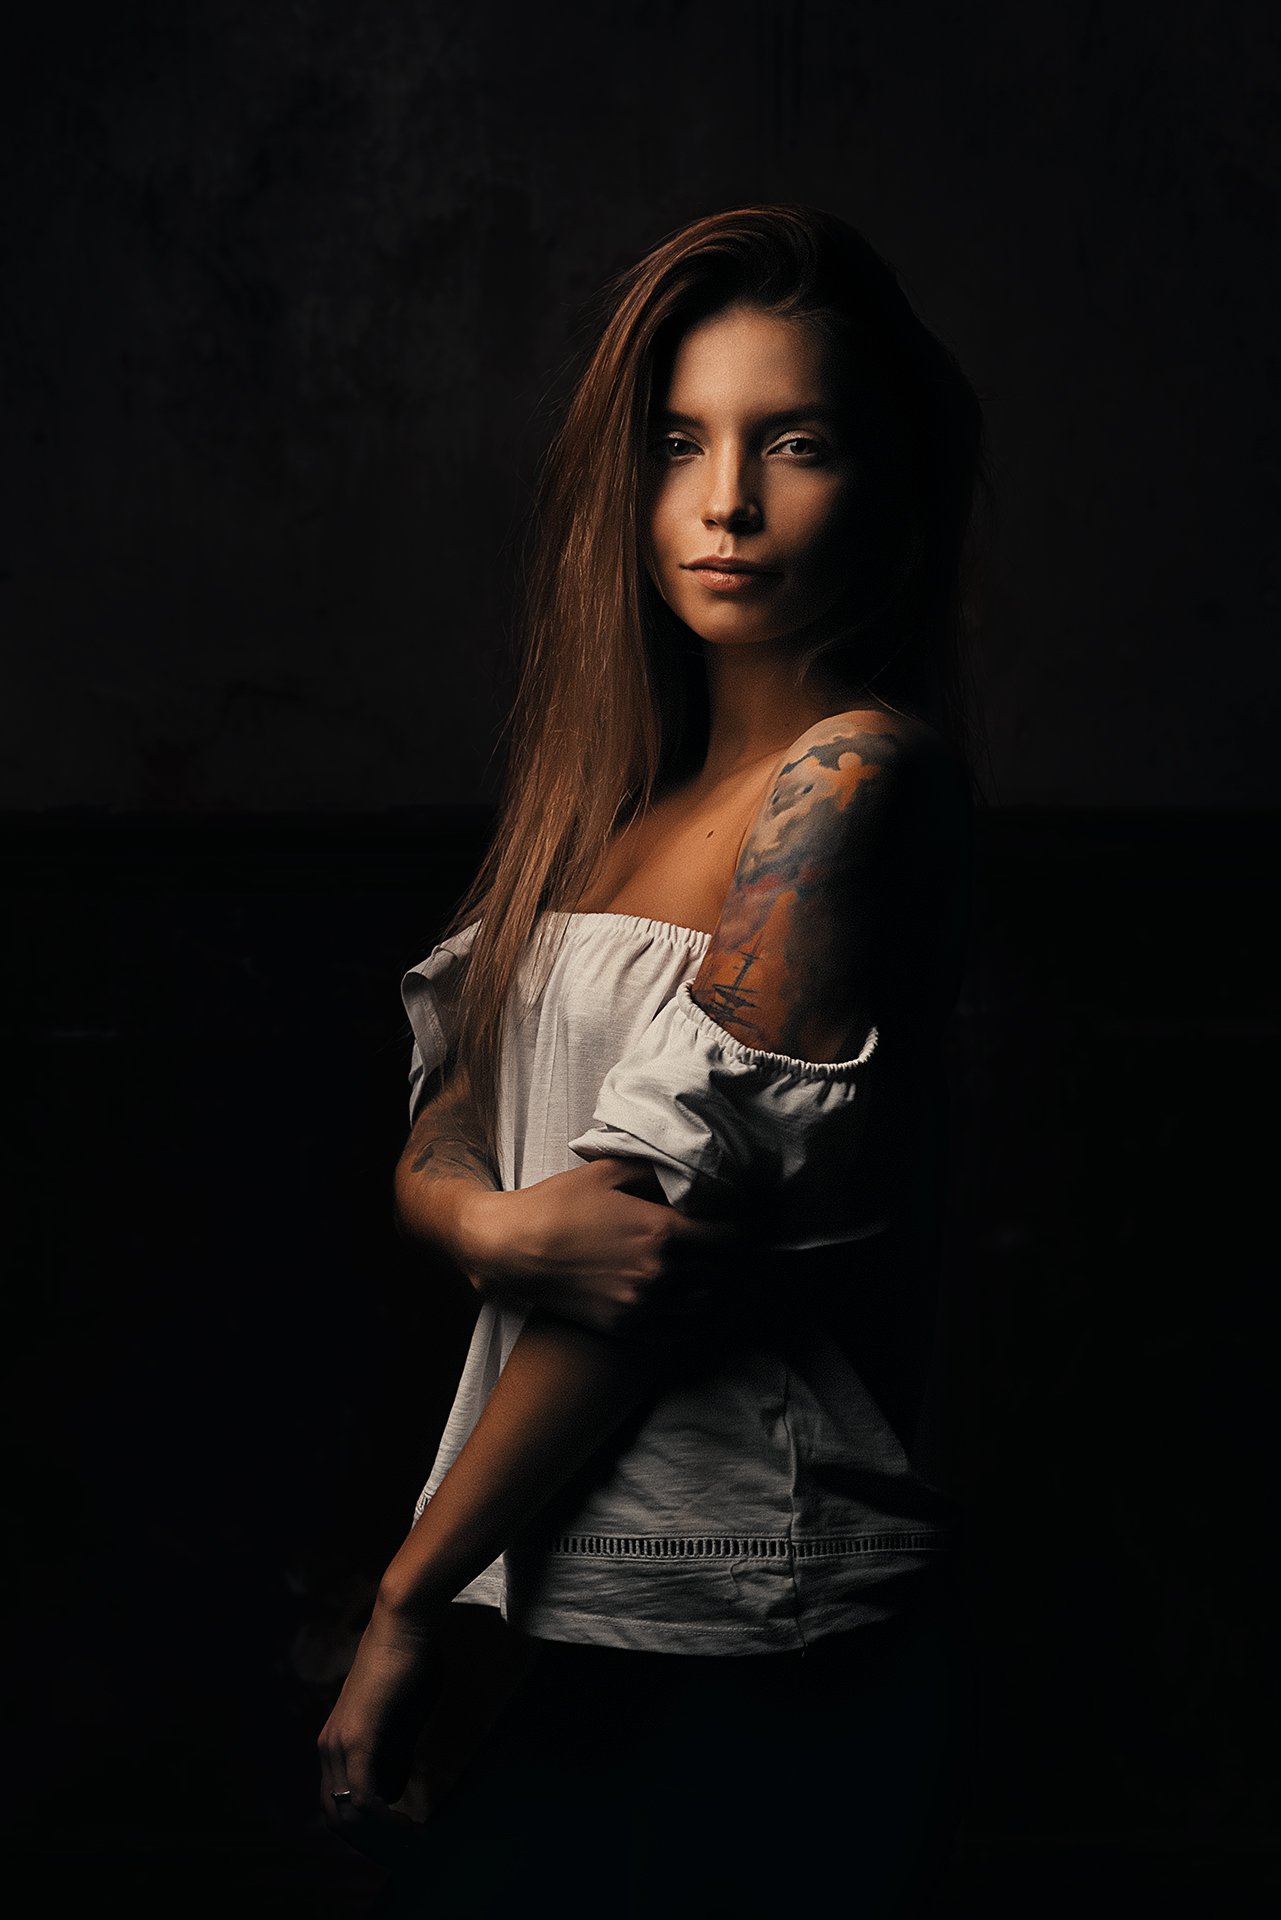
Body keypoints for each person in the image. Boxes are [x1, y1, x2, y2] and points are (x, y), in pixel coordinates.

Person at [318, 203, 992, 1919]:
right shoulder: (611, 811)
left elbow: (632, 1259)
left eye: (797, 443)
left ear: (889, 487)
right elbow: (451, 1122)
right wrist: (485, 1224)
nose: (727, 502)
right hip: (567, 1614)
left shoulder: (847, 785)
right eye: (682, 443)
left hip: (764, 1623)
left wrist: (404, 1602)